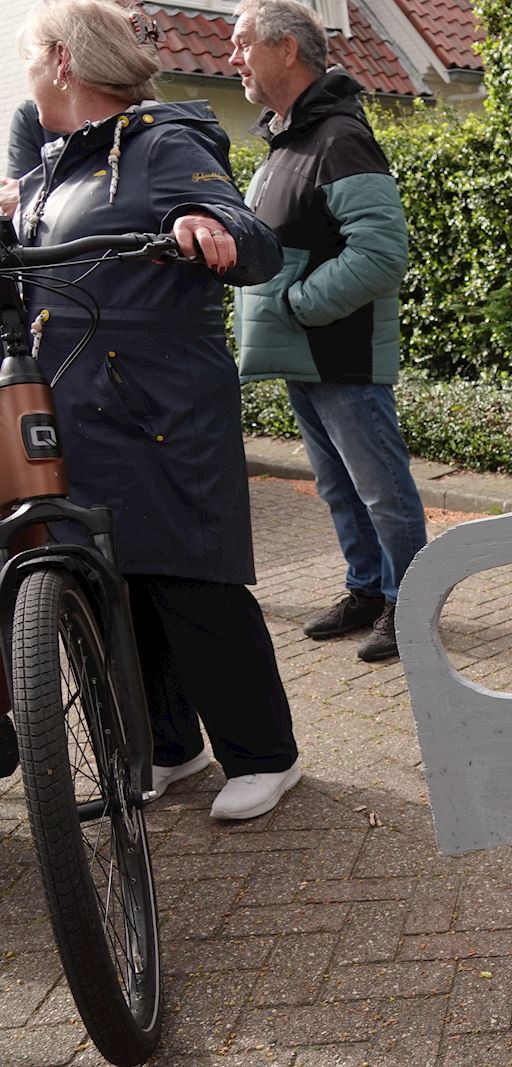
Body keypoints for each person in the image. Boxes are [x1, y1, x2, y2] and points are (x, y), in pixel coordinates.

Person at [16, 0, 302, 819]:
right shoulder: (54, 166)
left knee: (190, 580)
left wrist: (203, 219)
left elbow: (254, 236)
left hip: (158, 406)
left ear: (64, 60)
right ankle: (169, 746)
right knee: (116, 585)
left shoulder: (161, 143)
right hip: (77, 406)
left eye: (32, 59)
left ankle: (265, 754)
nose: (26, 76)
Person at [229, 0, 425, 663]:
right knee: (339, 486)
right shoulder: (287, 140)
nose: (233, 58)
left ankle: (411, 603)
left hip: (338, 350)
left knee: (381, 487)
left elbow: (381, 252)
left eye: (243, 43)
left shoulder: (339, 138)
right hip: (304, 354)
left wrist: (298, 306)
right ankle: (368, 588)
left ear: (287, 49)